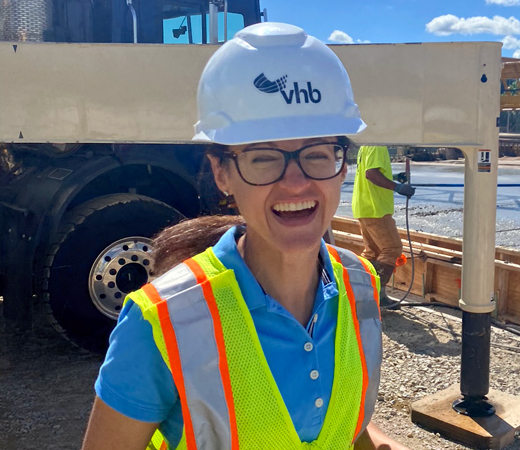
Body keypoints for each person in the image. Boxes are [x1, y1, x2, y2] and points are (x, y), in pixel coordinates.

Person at [82, 22, 411, 450]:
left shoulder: (360, 285)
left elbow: (344, 429)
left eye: (315, 153)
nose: (296, 183)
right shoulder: (161, 321)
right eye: (263, 158)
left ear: (341, 165)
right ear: (222, 173)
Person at [351, 145, 414, 308]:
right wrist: (397, 187)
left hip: (364, 206)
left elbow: (372, 172)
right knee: (392, 248)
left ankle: (363, 293)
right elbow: (371, 174)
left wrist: (394, 177)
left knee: (373, 252)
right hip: (375, 208)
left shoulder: (366, 144)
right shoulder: (377, 144)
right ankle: (376, 296)